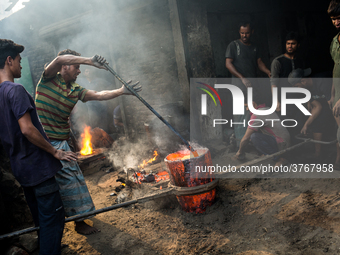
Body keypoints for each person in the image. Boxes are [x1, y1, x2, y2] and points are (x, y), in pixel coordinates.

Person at [35, 49, 141, 235]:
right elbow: (59, 58)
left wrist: (122, 91)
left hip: (62, 143)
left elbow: (99, 95)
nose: (79, 71)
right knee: (64, 186)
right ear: (64, 67)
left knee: (74, 182)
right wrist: (91, 61)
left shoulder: (76, 90)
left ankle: (78, 221)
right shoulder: (48, 79)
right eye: (77, 67)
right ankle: (72, 224)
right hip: (45, 144)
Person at [0, 39, 77, 254]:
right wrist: (55, 151)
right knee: (53, 221)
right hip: (38, 169)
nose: (21, 65)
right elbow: (26, 129)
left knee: (41, 220)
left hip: (21, 170)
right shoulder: (15, 91)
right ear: (8, 60)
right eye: (19, 60)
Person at [225, 21, 271, 144]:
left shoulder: (255, 47)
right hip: (239, 85)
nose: (244, 35)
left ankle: (252, 140)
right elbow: (228, 64)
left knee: (253, 110)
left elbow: (259, 62)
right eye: (242, 33)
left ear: (252, 32)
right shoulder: (233, 45)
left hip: (252, 85)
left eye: (247, 33)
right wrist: (242, 78)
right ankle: (241, 142)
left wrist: (268, 72)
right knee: (241, 112)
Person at [288, 68, 335, 158]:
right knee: (315, 120)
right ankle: (318, 153)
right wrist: (306, 125)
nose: (297, 89)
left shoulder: (322, 82)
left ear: (303, 81)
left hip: (334, 103)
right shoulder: (306, 89)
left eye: (297, 86)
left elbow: (331, 103)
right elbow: (318, 106)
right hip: (325, 105)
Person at [234, 91, 290, 166]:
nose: (247, 109)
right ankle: (268, 153)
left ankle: (280, 159)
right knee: (254, 135)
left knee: (254, 137)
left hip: (281, 144)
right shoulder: (266, 109)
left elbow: (245, 138)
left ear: (253, 103)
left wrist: (240, 152)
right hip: (285, 141)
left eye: (247, 106)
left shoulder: (257, 114)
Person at [271, 31, 305, 113]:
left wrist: (308, 101)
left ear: (298, 45)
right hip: (284, 101)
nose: (290, 46)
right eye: (288, 43)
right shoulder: (278, 61)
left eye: (293, 43)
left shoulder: (300, 61)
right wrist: (276, 101)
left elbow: (304, 80)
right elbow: (273, 83)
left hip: (299, 101)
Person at [328, 0, 340, 169]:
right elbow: (335, 67)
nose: (337, 22)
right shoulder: (335, 41)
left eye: (339, 18)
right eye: (333, 19)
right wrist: (332, 95)